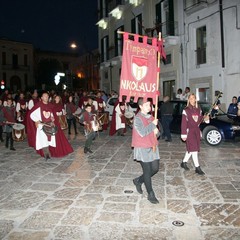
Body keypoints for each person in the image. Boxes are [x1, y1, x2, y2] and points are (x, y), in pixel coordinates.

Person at [27, 91, 73, 160]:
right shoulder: (38, 105)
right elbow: (31, 114)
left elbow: (52, 114)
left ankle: (51, 152)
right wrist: (36, 121)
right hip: (42, 125)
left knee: (50, 140)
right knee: (43, 140)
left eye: (47, 96)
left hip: (50, 125)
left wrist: (52, 118)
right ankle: (46, 154)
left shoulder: (50, 105)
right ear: (42, 98)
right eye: (45, 96)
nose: (46, 97)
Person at [132, 98, 160, 204]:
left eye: (150, 105)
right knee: (147, 171)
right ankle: (150, 194)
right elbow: (142, 133)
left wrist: (157, 131)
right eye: (147, 105)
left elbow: (156, 134)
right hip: (142, 147)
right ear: (140, 106)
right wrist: (153, 125)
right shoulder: (137, 118)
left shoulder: (152, 117)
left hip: (152, 146)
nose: (150, 107)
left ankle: (138, 180)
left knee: (155, 168)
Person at [181, 93, 209, 175]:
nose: (192, 100)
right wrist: (183, 134)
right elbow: (183, 123)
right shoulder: (186, 110)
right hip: (189, 132)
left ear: (196, 99)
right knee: (194, 150)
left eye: (193, 98)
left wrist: (205, 118)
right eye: (190, 98)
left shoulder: (198, 109)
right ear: (188, 100)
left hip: (196, 131)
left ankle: (183, 162)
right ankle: (197, 167)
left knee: (191, 148)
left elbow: (200, 120)